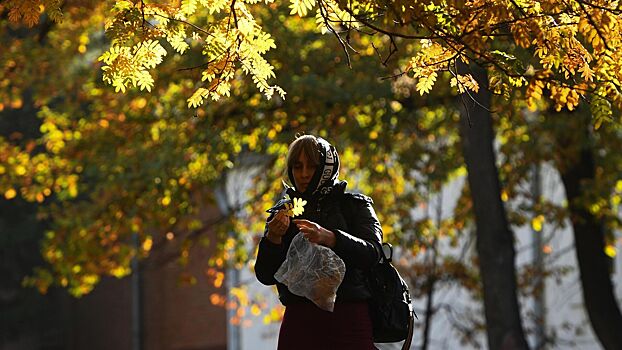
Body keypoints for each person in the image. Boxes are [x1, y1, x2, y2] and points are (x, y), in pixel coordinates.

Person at [255, 134, 383, 350]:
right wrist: (273, 239)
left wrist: (331, 237)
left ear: (327, 167)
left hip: (348, 317)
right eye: (297, 167)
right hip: (300, 321)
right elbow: (265, 275)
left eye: (312, 167)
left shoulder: (354, 206)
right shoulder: (283, 213)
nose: (304, 174)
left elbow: (373, 254)